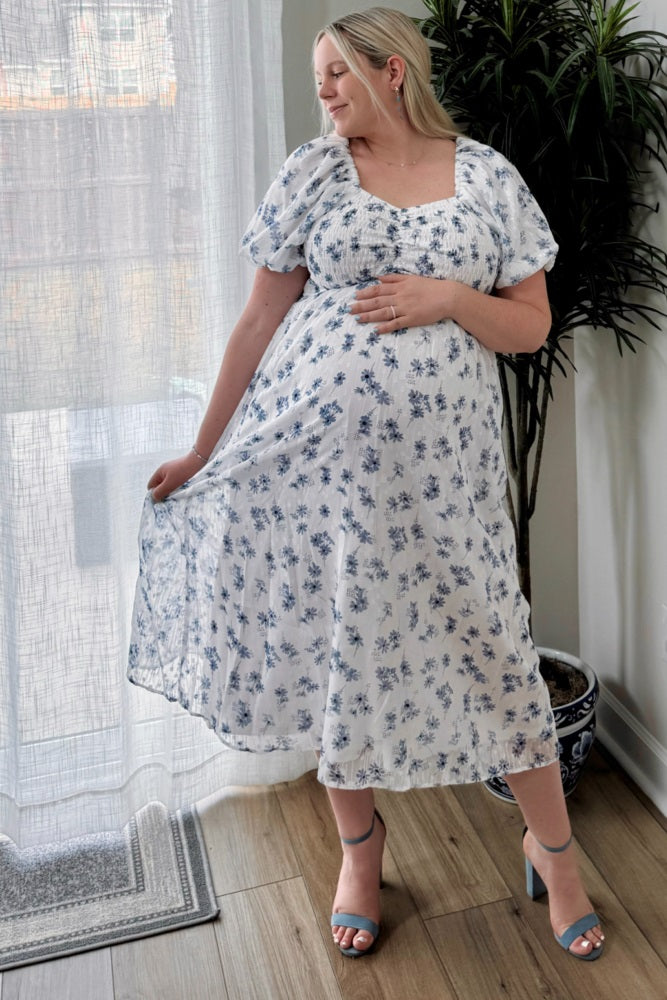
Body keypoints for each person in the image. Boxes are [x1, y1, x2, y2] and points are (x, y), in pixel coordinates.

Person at [128, 6, 604, 962]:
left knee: (495, 651)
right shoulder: (313, 171)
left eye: (338, 71)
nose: (324, 90)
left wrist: (450, 299)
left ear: (393, 72)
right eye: (318, 77)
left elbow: (529, 328)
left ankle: (554, 855)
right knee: (333, 648)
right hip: (314, 478)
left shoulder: (485, 176)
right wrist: (202, 450)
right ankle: (359, 850)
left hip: (450, 484)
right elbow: (258, 321)